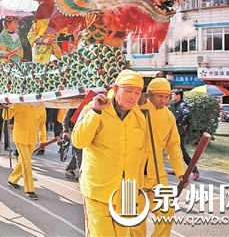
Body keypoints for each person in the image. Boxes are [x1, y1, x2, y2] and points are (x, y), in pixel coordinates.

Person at [72, 69, 147, 236]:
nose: (133, 97)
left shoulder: (139, 117)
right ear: (116, 88)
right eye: (128, 91)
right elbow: (78, 141)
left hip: (127, 191)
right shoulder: (95, 108)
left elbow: (140, 154)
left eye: (137, 92)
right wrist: (95, 112)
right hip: (99, 188)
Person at [133, 78, 187, 237]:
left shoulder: (169, 117)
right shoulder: (136, 108)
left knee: (167, 214)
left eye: (167, 96)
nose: (164, 100)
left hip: (157, 174)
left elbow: (173, 146)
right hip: (134, 173)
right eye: (159, 96)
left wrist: (180, 172)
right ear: (149, 94)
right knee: (136, 218)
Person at [6, 103, 46, 200]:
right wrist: (7, 106)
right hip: (20, 138)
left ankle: (12, 180)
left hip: (32, 139)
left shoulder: (41, 106)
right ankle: (29, 189)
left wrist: (43, 140)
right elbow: (6, 116)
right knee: (27, 163)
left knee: (23, 161)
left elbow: (42, 125)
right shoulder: (18, 104)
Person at [171, 89, 200, 180]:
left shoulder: (182, 104)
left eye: (173, 95)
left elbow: (188, 114)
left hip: (180, 131)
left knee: (182, 151)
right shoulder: (176, 104)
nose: (171, 96)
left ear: (179, 95)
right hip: (176, 130)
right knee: (175, 150)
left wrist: (182, 123)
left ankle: (194, 170)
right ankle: (178, 169)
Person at [62, 107, 83, 179]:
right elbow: (66, 118)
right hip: (76, 130)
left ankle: (70, 169)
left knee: (79, 153)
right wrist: (65, 131)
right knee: (79, 152)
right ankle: (82, 177)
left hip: (88, 130)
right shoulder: (75, 103)